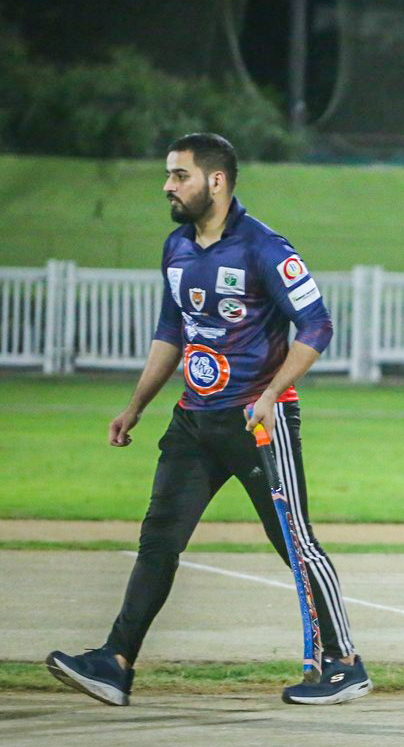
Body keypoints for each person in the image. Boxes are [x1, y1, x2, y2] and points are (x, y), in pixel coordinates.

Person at [45, 133, 370, 706]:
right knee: (158, 540)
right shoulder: (176, 247)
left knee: (295, 542)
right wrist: (135, 405)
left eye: (180, 175)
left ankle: (345, 665)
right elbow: (171, 331)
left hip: (257, 423)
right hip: (194, 422)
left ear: (215, 181)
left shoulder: (265, 247)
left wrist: (272, 393)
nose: (167, 186)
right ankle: (115, 663)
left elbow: (317, 325)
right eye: (168, 175)